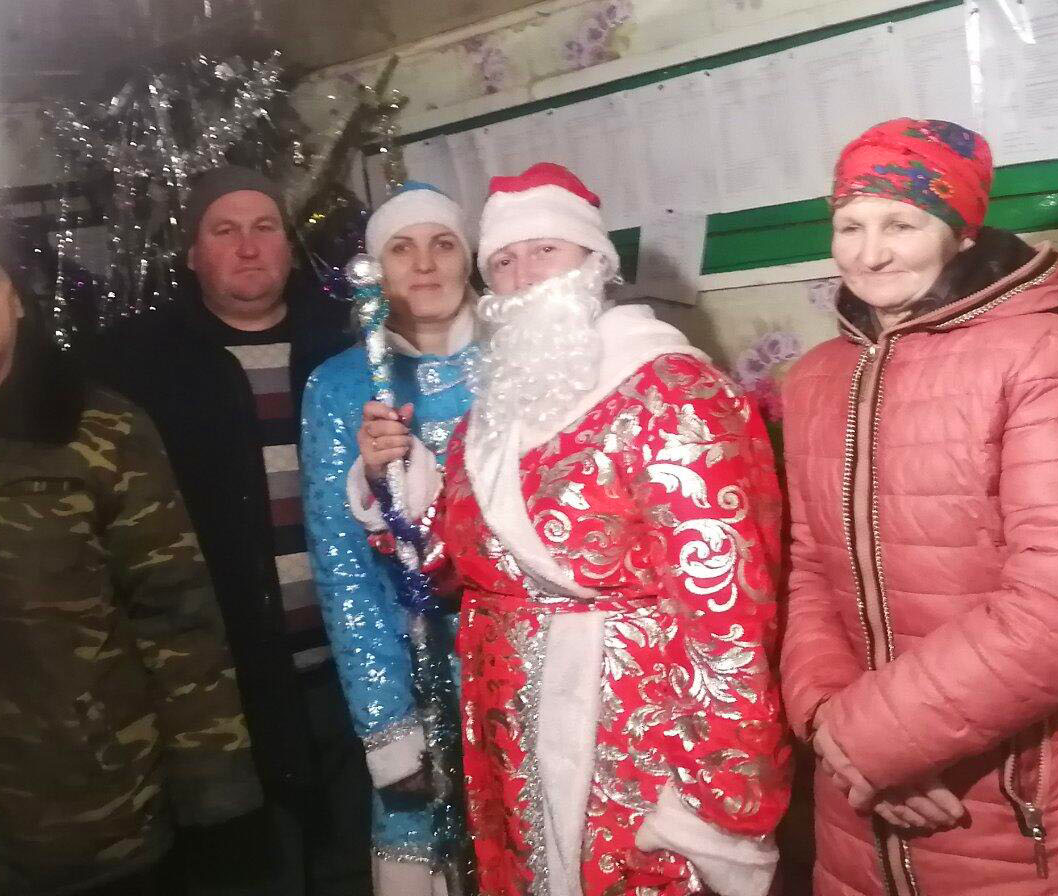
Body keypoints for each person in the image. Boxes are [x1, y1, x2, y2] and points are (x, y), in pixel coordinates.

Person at [353, 163, 790, 896]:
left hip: (634, 730)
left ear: (595, 260)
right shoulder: (493, 411)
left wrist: (716, 803)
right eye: (503, 260)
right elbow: (446, 565)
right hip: (507, 726)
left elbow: (729, 616)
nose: (524, 275)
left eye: (545, 251)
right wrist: (393, 480)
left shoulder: (673, 390)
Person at [0, 210, 263, 896]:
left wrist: (216, 798)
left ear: (16, 300)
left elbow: (177, 617)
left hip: (97, 819)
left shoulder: (102, 429)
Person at [780, 118, 1058, 895]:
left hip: (1020, 798)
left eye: (901, 225)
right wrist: (829, 722)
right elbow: (807, 572)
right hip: (861, 809)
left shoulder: (1045, 354)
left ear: (961, 232)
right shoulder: (813, 378)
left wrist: (876, 739)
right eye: (850, 226)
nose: (870, 253)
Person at [96, 166, 369, 895]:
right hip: (220, 696)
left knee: (358, 869)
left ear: (288, 245)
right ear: (192, 253)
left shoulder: (347, 350)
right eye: (224, 231)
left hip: (351, 677)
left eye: (264, 227)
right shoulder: (132, 366)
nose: (248, 247)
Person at [299, 183, 477, 895]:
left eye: (443, 244)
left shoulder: (520, 361)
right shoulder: (342, 387)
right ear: (377, 270)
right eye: (402, 248)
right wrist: (388, 725)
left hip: (525, 675)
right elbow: (343, 571)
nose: (425, 264)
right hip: (414, 678)